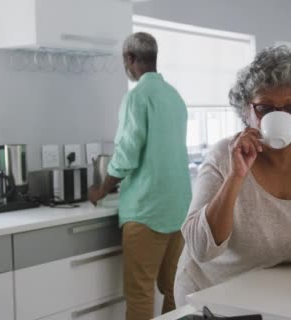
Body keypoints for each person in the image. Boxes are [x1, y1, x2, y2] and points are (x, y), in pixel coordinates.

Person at [174, 46, 291, 306]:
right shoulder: (223, 156)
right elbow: (201, 250)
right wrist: (236, 175)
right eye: (264, 108)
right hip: (212, 296)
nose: (278, 116)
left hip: (280, 297)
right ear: (246, 111)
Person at [89, 32, 192, 320]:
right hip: (179, 208)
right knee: (174, 290)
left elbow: (125, 156)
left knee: (140, 293)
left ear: (130, 59)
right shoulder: (174, 97)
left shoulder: (137, 98)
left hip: (147, 211)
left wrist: (101, 189)